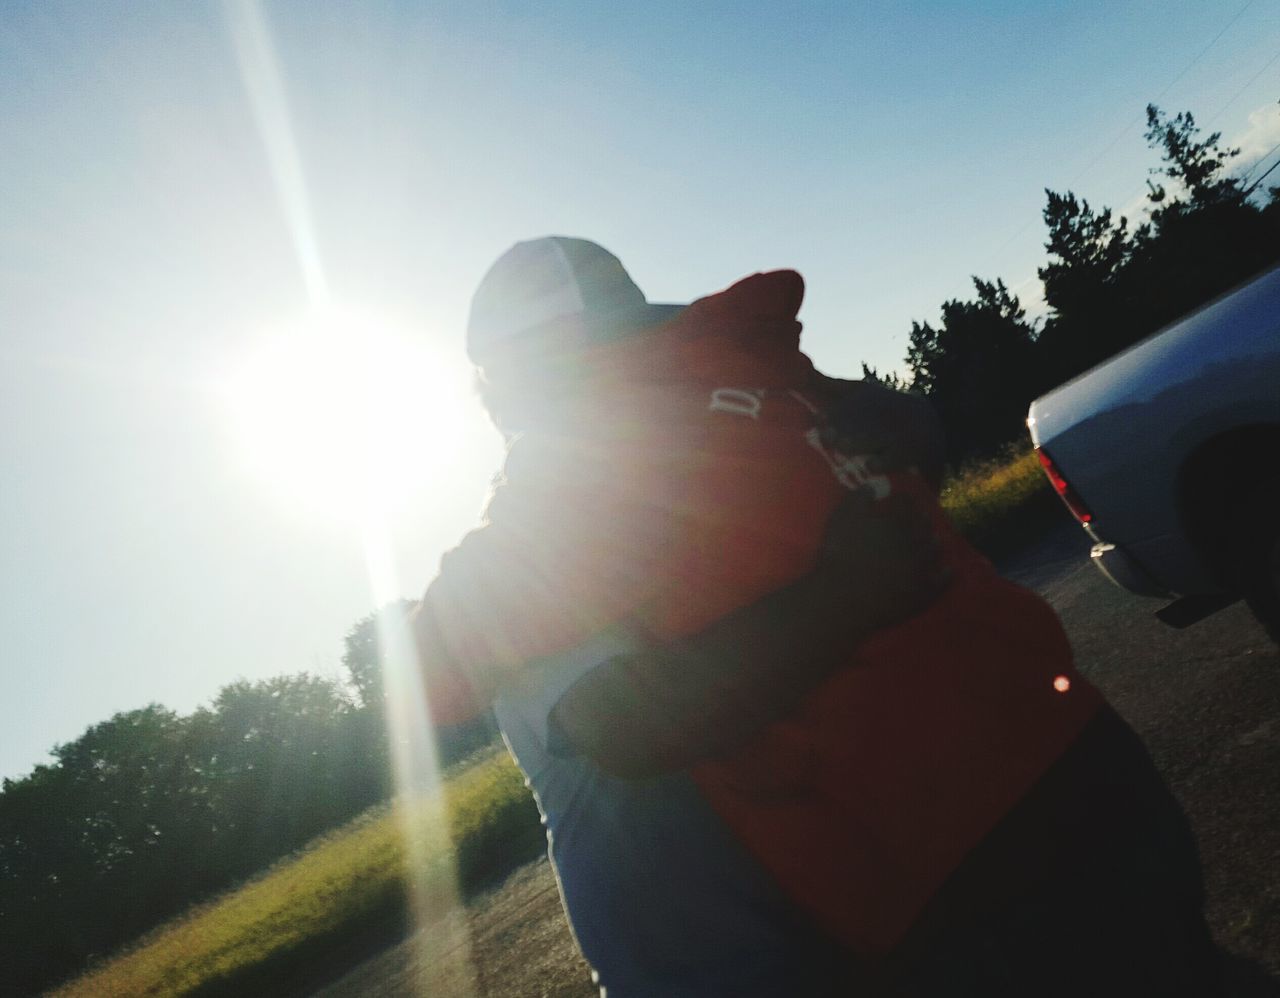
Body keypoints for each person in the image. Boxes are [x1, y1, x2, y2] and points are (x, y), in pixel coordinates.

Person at [409, 237, 1222, 995]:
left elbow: (547, 703)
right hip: (1076, 744)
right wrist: (911, 423)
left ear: (521, 380)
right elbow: (908, 441)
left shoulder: (572, 478)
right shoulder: (768, 373)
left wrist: (847, 594)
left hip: (942, 862)